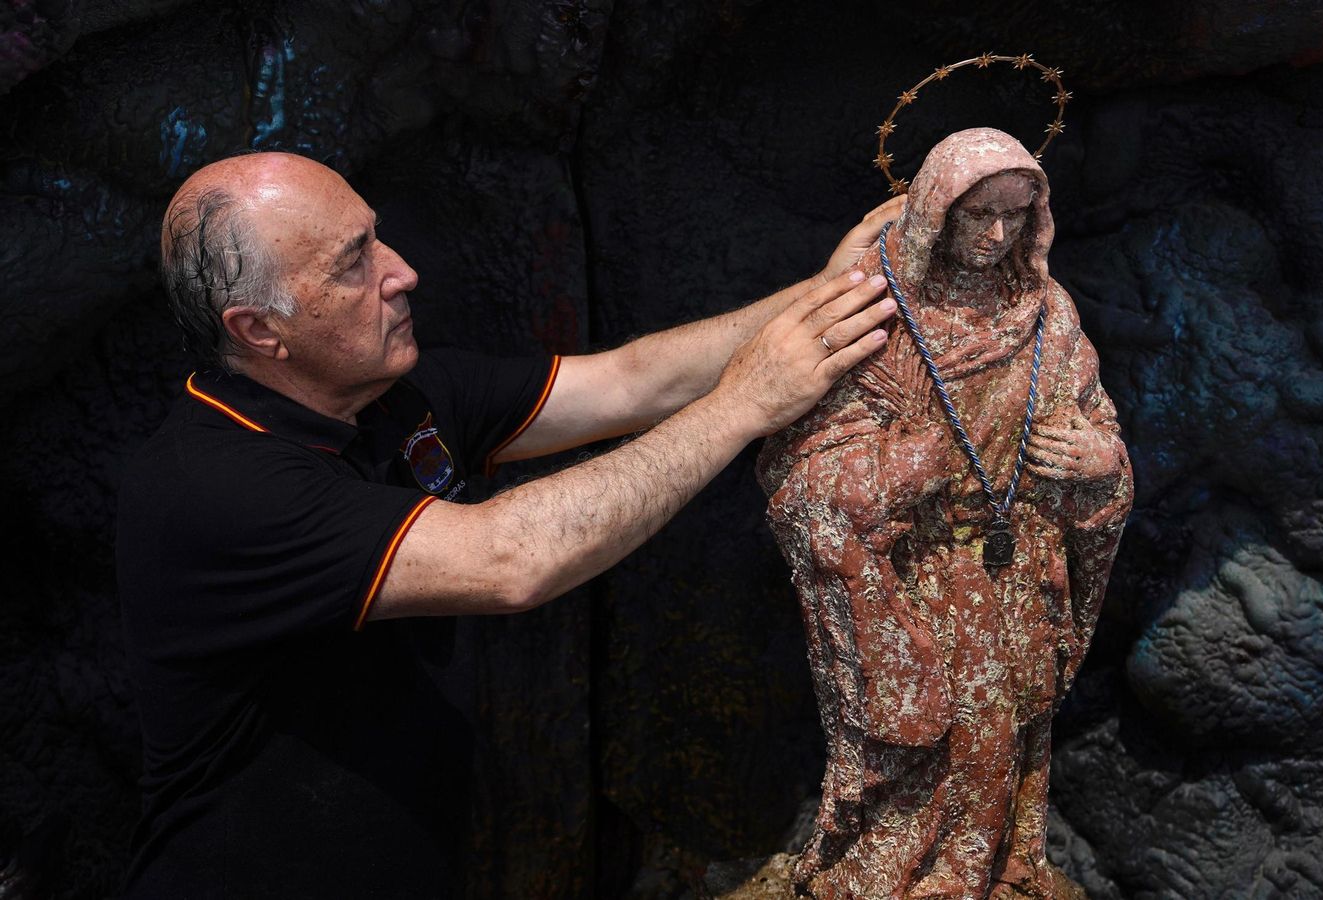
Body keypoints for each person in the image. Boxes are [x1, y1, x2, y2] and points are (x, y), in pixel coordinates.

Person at [116, 151, 903, 897]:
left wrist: (831, 291)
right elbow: (511, 560)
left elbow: (631, 382)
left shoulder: (393, 392)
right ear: (259, 330)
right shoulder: (214, 485)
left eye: (376, 233)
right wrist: (745, 407)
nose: (402, 271)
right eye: (353, 261)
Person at [757, 128, 1134, 898]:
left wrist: (1099, 462)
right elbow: (800, 474)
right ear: (935, 211)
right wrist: (912, 463)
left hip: (1017, 568)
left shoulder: (1048, 314)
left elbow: (1098, 425)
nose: (997, 236)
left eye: (1015, 216)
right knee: (922, 744)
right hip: (910, 580)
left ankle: (984, 874)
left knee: (1007, 727)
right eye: (977, 215)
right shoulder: (874, 313)